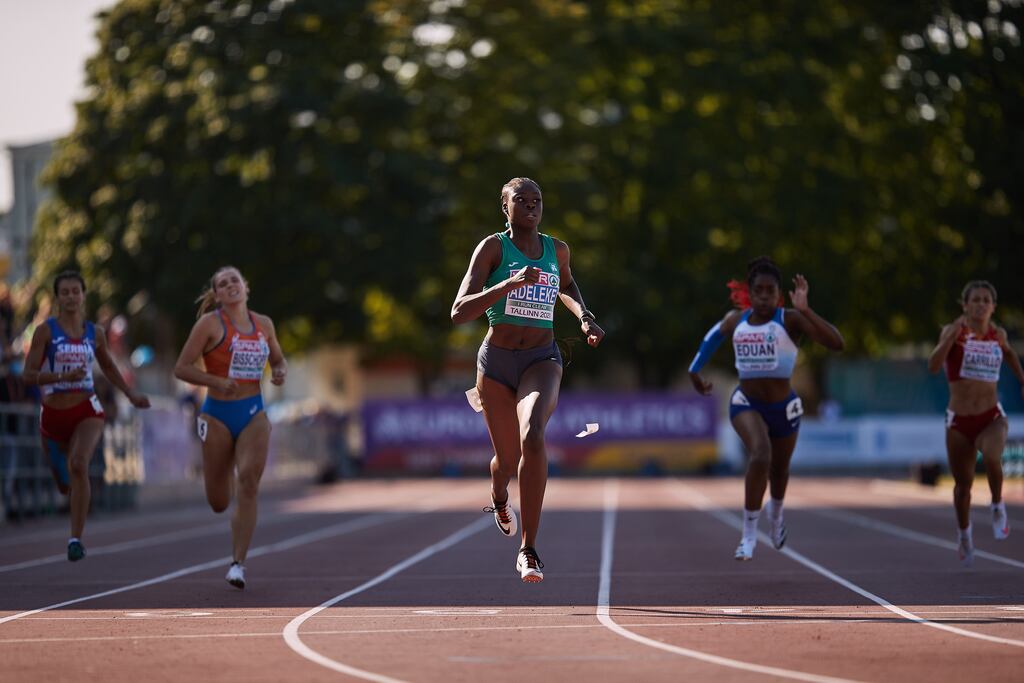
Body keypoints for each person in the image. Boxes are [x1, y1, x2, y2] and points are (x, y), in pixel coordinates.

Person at [451, 177, 604, 583]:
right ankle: (499, 497)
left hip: (542, 358)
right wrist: (507, 284)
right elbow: (459, 311)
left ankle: (529, 548)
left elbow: (567, 284)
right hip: (497, 364)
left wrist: (583, 316)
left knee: (533, 436)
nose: (531, 206)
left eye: (537, 200)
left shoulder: (558, 249)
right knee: (506, 461)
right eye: (522, 200)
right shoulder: (493, 248)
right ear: (506, 208)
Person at [688, 256, 844, 560]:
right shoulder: (737, 320)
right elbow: (712, 336)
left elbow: (836, 343)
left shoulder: (790, 319)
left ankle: (777, 519)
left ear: (779, 294)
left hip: (784, 407)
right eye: (758, 291)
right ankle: (748, 535)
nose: (763, 297)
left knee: (780, 469)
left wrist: (806, 310)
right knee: (761, 454)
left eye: (769, 291)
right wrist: (695, 371)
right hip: (746, 402)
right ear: (750, 291)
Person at [22, 271, 150, 561]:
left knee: (79, 463)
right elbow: (28, 375)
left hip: (87, 408)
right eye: (64, 292)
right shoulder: (46, 331)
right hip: (53, 414)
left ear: (83, 295)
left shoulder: (95, 333)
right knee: (64, 482)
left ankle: (75, 538)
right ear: (57, 297)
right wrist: (60, 375)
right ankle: (66, 489)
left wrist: (130, 394)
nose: (70, 296)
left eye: (75, 291)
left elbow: (109, 367)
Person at [174, 266, 286, 589]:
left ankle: (238, 563)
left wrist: (279, 371)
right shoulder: (209, 325)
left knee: (249, 480)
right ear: (217, 295)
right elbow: (181, 367)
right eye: (222, 284)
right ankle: (229, 485)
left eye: (234, 280)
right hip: (217, 414)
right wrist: (216, 382)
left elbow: (278, 359)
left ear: (245, 287)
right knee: (219, 501)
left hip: (253, 411)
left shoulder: (264, 324)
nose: (230, 286)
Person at [927, 280, 1024, 567]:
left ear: (993, 307)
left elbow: (1009, 353)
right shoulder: (952, 332)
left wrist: (1022, 380)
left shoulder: (998, 334)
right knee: (963, 487)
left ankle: (997, 505)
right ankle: (964, 533)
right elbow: (933, 366)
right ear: (965, 305)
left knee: (993, 456)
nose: (981, 305)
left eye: (986, 300)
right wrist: (950, 338)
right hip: (958, 421)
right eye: (976, 300)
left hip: (990, 416)